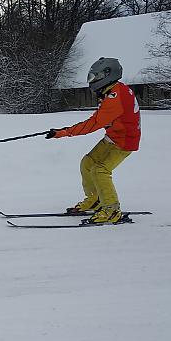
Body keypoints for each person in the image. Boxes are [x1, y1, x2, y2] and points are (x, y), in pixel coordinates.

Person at [46, 57, 141, 224]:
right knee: (87, 163)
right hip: (114, 137)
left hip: (124, 141)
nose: (92, 81)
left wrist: (63, 132)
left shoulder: (114, 97)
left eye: (94, 78)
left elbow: (93, 124)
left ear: (107, 75)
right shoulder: (113, 90)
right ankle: (96, 200)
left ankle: (111, 210)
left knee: (100, 170)